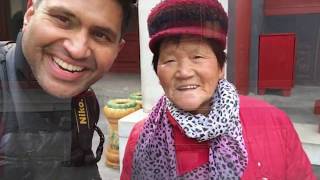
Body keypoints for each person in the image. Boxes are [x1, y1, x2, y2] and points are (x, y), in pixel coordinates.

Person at [121, 0, 317, 179]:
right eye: (170, 60)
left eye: (197, 57)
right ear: (157, 72)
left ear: (220, 67)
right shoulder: (142, 137)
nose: (183, 72)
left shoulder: (274, 123)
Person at [0, 0, 131, 179]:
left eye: (100, 35)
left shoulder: (84, 100)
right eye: (62, 19)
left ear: (117, 50)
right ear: (30, 14)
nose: (77, 50)